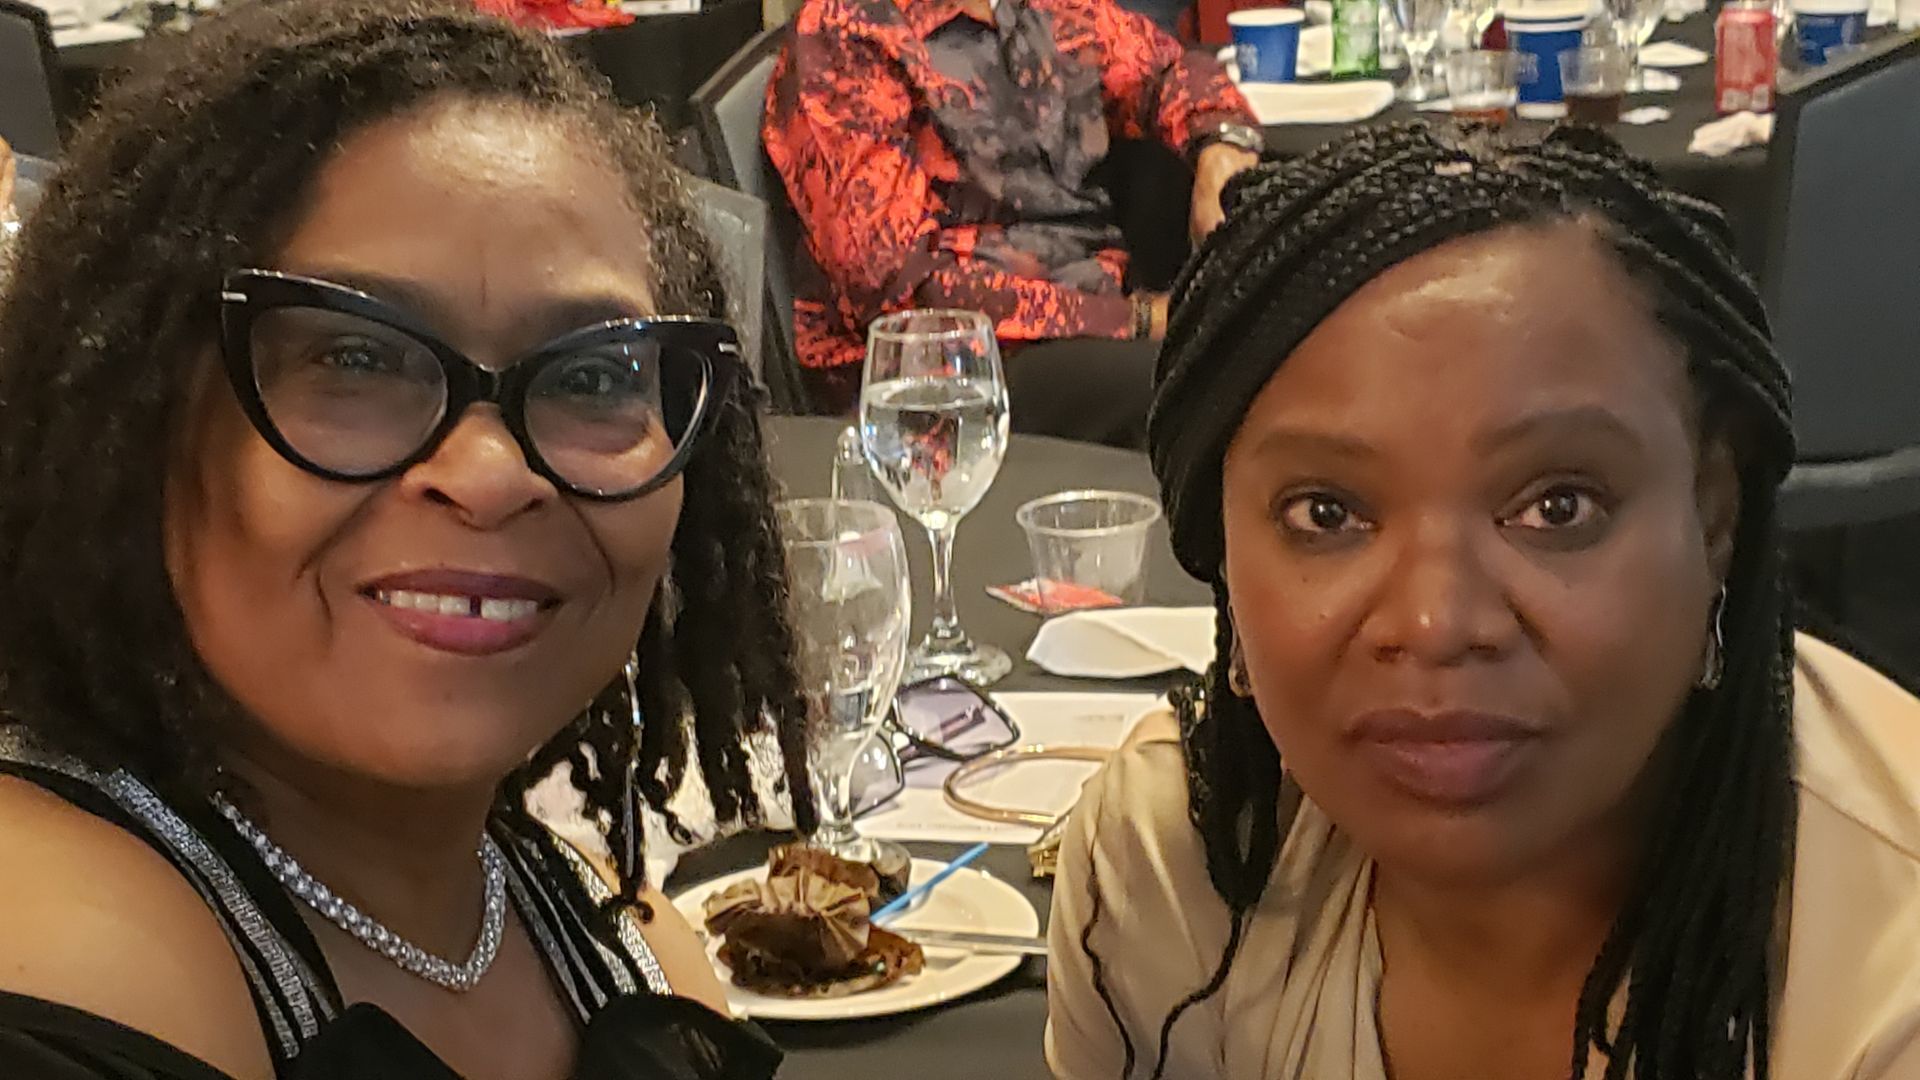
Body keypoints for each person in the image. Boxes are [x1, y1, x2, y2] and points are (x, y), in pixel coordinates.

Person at [0, 2, 814, 1077]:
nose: (488, 476)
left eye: (592, 375)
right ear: (127, 415)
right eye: (354, 358)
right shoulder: (61, 968)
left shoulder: (629, 949)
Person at [1046, 122, 1920, 1079]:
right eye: (1326, 511)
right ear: (1221, 550)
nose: (1437, 623)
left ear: (1715, 517)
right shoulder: (1173, 881)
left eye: (1557, 506)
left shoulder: (1887, 973)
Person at [764, 0, 1261, 447]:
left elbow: (1166, 68)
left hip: (1096, 305)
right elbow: (903, 289)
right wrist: (1138, 321)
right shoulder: (842, 32)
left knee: (1277, 330)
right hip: (947, 376)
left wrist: (1221, 145)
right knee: (1219, 380)